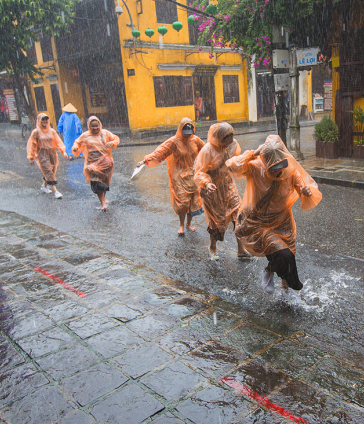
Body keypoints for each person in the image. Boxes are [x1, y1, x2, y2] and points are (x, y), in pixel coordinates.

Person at [226, 135, 322, 293]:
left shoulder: (290, 170)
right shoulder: (256, 167)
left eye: (281, 164)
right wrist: (253, 153)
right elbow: (232, 166)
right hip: (260, 223)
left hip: (284, 222)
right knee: (283, 255)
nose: (278, 169)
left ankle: (285, 288)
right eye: (273, 165)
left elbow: (303, 187)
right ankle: (274, 274)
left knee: (287, 256)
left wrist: (306, 190)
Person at [137, 118, 205, 235]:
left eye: (190, 134)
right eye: (185, 134)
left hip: (193, 175)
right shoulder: (174, 142)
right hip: (179, 176)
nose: (188, 136)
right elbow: (160, 152)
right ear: (180, 130)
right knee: (182, 202)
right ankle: (181, 225)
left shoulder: (196, 140)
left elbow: (206, 150)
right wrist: (145, 160)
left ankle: (189, 224)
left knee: (193, 202)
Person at [193, 122, 249, 260]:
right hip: (213, 190)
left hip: (229, 186)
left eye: (230, 138)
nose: (228, 143)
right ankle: (212, 247)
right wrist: (206, 184)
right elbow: (199, 172)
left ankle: (241, 249)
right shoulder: (207, 150)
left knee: (238, 216)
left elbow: (235, 160)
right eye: (225, 139)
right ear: (217, 137)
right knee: (216, 221)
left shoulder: (233, 145)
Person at [72, 116, 120, 210]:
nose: (95, 128)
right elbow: (77, 142)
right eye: (92, 126)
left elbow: (116, 138)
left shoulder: (105, 133)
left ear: (100, 125)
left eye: (96, 126)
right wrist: (75, 147)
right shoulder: (85, 135)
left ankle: (103, 198)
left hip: (105, 161)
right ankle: (103, 203)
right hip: (92, 162)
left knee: (104, 181)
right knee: (96, 182)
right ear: (89, 126)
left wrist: (113, 143)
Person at [27, 113, 66, 199]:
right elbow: (32, 144)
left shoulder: (51, 131)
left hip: (52, 152)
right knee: (48, 171)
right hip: (42, 153)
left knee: (52, 170)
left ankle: (44, 186)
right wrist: (31, 157)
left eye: (46, 120)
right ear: (39, 121)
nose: (44, 121)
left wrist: (63, 151)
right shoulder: (36, 132)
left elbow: (58, 141)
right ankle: (55, 191)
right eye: (42, 120)